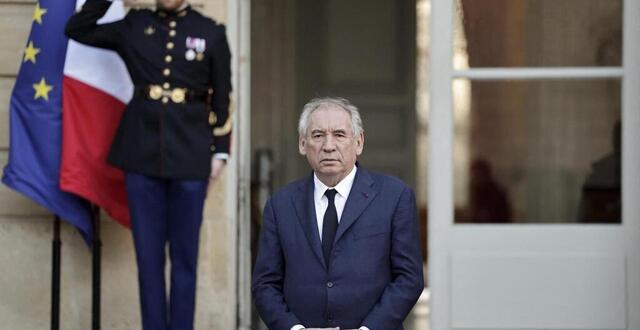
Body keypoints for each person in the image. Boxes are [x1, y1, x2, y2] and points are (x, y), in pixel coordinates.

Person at [65, 0, 232, 329]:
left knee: (185, 260)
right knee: (149, 260)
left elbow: (224, 97)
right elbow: (76, 29)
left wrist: (220, 153)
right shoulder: (133, 25)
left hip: (191, 156)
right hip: (141, 156)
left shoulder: (209, 32)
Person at [252, 97, 424, 330]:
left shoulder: (394, 197)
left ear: (359, 142)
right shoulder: (280, 205)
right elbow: (265, 284)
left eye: (340, 135)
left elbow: (409, 279)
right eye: (318, 135)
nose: (329, 146)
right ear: (303, 144)